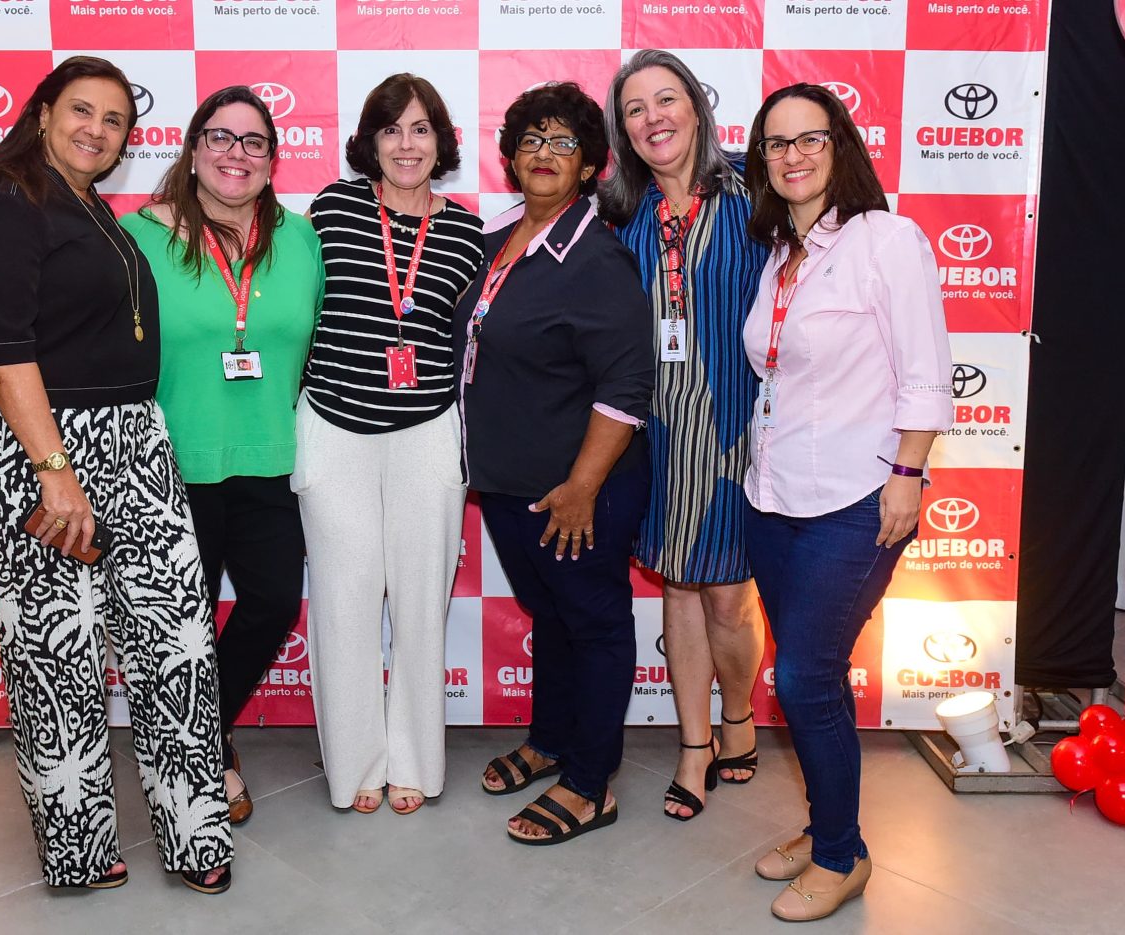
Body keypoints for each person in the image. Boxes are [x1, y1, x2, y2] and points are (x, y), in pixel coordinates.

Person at [0, 56, 232, 895]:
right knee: (56, 654)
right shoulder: (5, 205)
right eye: (81, 111)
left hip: (133, 443)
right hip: (41, 449)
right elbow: (3, 354)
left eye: (114, 121)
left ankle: (194, 831)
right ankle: (74, 846)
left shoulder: (92, 208)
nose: (97, 131)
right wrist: (55, 475)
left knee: (175, 643)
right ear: (42, 115)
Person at [741, 84, 952, 921]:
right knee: (808, 672)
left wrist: (908, 473)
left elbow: (925, 367)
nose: (792, 156)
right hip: (773, 496)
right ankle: (829, 821)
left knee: (804, 674)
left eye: (810, 140)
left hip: (858, 497)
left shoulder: (885, 239)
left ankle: (841, 856)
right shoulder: (778, 255)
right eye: (776, 144)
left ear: (841, 148)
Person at [119, 85, 324, 827]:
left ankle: (201, 731)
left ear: (273, 160)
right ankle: (205, 755)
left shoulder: (301, 238)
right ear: (193, 150)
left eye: (253, 142)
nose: (236, 154)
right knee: (186, 621)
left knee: (271, 601)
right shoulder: (139, 236)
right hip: (173, 466)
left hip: (273, 459)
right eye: (221, 137)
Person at [456, 83, 654, 845]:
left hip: (577, 488)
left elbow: (627, 384)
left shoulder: (593, 256)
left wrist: (581, 486)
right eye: (531, 141)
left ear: (590, 166)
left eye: (563, 143)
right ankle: (550, 738)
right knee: (555, 616)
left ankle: (590, 780)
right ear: (510, 157)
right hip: (509, 482)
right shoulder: (496, 238)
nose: (544, 154)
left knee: (596, 622)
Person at [296, 74, 485, 815]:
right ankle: (354, 768)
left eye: (420, 130)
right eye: (391, 131)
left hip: (426, 433)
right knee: (343, 605)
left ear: (440, 142)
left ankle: (415, 760)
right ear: (369, 143)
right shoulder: (332, 209)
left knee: (418, 604)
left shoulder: (466, 230)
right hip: (334, 427)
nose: (406, 145)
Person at [598, 49, 770, 823]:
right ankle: (695, 745)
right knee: (676, 582)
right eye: (635, 109)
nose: (653, 118)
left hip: (741, 427)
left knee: (730, 596)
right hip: (658, 431)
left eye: (666, 100)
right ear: (623, 130)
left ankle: (740, 712)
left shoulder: (757, 190)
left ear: (697, 108)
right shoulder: (617, 212)